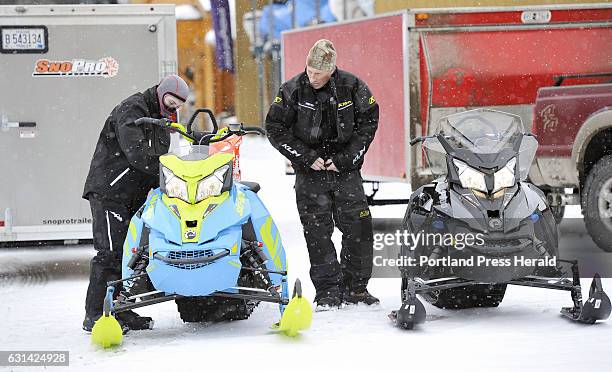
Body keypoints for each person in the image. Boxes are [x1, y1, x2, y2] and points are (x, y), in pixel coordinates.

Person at [265, 39, 380, 310]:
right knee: (317, 233)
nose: (311, 76)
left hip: (345, 171)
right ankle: (328, 291)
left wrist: (346, 158)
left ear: (331, 70)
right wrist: (306, 157)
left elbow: (368, 123)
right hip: (310, 173)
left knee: (359, 228)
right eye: (309, 69)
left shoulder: (351, 86)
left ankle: (356, 288)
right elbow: (275, 128)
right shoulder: (292, 89)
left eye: (318, 72)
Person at [82, 75, 189, 331]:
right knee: (110, 254)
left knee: (132, 256)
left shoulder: (164, 120)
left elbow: (162, 153)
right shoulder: (133, 109)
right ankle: (96, 313)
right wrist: (168, 171)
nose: (172, 109)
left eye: (177, 106)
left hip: (134, 196)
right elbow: (137, 154)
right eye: (170, 102)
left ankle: (122, 309)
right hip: (110, 192)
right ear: (161, 94)